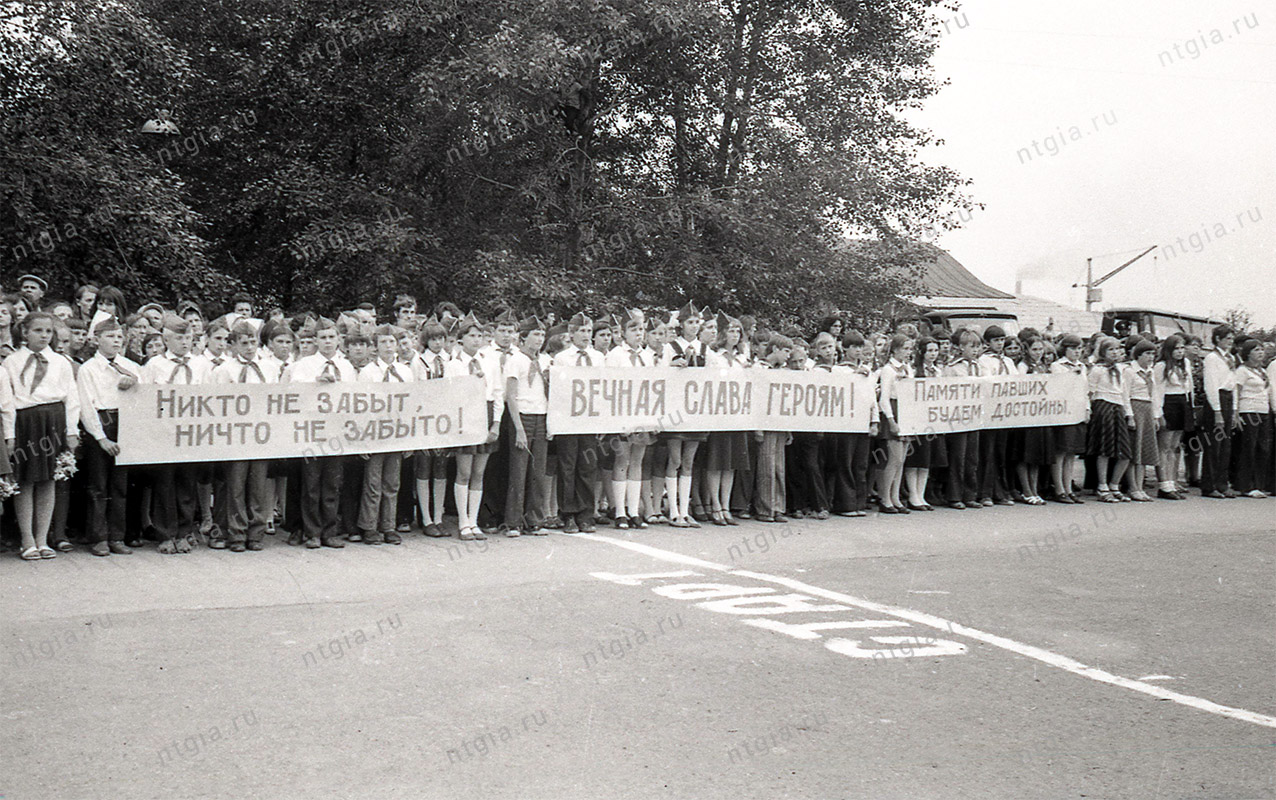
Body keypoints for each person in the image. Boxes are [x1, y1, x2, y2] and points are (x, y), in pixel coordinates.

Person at [4, 312, 80, 560]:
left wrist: (71, 431)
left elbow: (72, 399)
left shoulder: (60, 362)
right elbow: (7, 401)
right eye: (38, 330)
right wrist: (9, 435)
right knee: (25, 480)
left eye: (48, 331)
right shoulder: (12, 362)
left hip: (53, 421)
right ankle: (27, 539)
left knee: (49, 479)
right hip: (25, 421)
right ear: (25, 332)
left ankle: (43, 538)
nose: (44, 335)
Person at [286, 317, 356, 548]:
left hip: (336, 431)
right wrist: (315, 383)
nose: (327, 342)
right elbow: (294, 393)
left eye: (331, 337)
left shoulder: (345, 367)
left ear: (338, 340)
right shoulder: (304, 365)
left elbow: (355, 397)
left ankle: (329, 530)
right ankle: (312, 531)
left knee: (332, 483)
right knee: (312, 483)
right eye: (323, 337)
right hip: (312, 432)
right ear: (315, 340)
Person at [209, 322, 272, 551]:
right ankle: (236, 533)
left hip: (261, 434)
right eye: (243, 343)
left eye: (252, 342)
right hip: (235, 436)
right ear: (233, 345)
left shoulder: (269, 368)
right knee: (235, 485)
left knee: (257, 485)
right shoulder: (223, 370)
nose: (249, 347)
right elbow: (213, 403)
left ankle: (256, 533)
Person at [445, 313, 504, 541]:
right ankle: (462, 522)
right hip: (465, 415)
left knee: (479, 472)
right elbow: (450, 396)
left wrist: (496, 424)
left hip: (486, 414)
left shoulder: (489, 362)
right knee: (464, 471)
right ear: (461, 339)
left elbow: (497, 394)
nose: (476, 340)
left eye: (479, 336)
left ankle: (474, 520)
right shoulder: (454, 365)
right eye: (471, 336)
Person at [353, 325, 408, 544]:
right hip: (374, 433)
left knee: (392, 483)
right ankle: (369, 526)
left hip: (396, 433)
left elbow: (411, 405)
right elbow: (360, 406)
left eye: (391, 342)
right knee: (373, 483)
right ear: (376, 346)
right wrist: (363, 440)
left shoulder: (404, 371)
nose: (388, 346)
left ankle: (389, 525)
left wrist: (411, 438)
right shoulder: (368, 372)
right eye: (383, 342)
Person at [550, 313, 604, 533]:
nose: (586, 335)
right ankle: (568, 514)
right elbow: (559, 391)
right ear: (571, 334)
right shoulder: (563, 358)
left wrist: (602, 421)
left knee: (588, 465)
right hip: (568, 419)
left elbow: (603, 390)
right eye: (581, 331)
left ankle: (586, 513)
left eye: (588, 331)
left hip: (589, 419)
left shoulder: (598, 358)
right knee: (568, 466)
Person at [660, 303, 708, 528]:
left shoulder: (705, 349)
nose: (694, 326)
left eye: (697, 322)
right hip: (675, 409)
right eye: (690, 322)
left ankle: (685, 511)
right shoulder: (671, 347)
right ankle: (673, 511)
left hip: (694, 411)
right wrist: (672, 366)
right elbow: (660, 373)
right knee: (675, 459)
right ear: (681, 324)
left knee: (688, 462)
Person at [504, 315, 551, 536]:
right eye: (535, 334)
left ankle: (535, 519)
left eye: (542, 335)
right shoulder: (516, 360)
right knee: (518, 470)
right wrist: (519, 428)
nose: (539, 339)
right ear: (524, 337)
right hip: (522, 416)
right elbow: (511, 397)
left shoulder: (545, 361)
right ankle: (513, 521)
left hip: (541, 416)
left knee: (538, 471)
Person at [703, 312, 749, 526]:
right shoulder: (714, 356)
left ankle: (726, 504)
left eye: (738, 331)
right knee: (717, 461)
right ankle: (715, 505)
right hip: (719, 414)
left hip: (737, 415)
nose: (735, 334)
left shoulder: (742, 358)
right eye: (731, 330)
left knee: (731, 463)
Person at [411, 317, 452, 536]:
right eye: (433, 339)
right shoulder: (419, 361)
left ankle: (438, 517)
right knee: (424, 467)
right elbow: (415, 392)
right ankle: (426, 519)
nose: (437, 343)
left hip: (445, 420)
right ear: (426, 341)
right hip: (425, 419)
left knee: (441, 469)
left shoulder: (451, 360)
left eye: (441, 338)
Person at [1088, 337, 1135, 503]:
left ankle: (1114, 484)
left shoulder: (1122, 369)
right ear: (1103, 352)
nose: (1115, 353)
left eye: (1117, 349)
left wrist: (1129, 415)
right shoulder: (1097, 369)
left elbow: (1124, 393)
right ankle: (1102, 486)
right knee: (1104, 449)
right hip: (1103, 407)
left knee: (1125, 452)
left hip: (1118, 407)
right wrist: (1089, 410)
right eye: (1111, 350)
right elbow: (1091, 392)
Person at [754, 334, 793, 523]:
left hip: (779, 422)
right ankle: (765, 507)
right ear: (775, 349)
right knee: (766, 466)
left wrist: (788, 428)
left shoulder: (784, 372)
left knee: (778, 467)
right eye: (785, 351)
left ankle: (778, 506)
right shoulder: (759, 368)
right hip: (766, 422)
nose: (788, 356)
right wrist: (758, 427)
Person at [976, 325, 1015, 506]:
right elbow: (987, 382)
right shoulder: (984, 361)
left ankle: (1001, 491)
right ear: (988, 342)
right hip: (990, 411)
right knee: (988, 452)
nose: (1000, 344)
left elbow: (1017, 381)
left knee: (1001, 452)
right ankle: (985, 492)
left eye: (1002, 340)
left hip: (1004, 412)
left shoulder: (1008, 362)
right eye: (996, 340)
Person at [904, 336, 944, 511]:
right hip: (915, 418)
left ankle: (921, 495)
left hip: (931, 418)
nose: (933, 354)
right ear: (922, 352)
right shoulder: (913, 370)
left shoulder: (937, 371)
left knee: (926, 459)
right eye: (930, 351)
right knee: (915, 458)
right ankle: (913, 495)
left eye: (936, 350)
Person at [944, 328, 982, 510]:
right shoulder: (952, 368)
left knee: (972, 458)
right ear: (960, 347)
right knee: (958, 457)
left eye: (977, 347)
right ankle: (954, 495)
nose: (975, 350)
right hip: (957, 418)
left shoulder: (978, 367)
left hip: (974, 417)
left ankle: (970, 494)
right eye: (971, 346)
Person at [875, 334, 912, 514]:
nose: (908, 352)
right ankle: (885, 497)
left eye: (910, 349)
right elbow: (884, 399)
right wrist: (891, 420)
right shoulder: (888, 370)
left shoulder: (908, 368)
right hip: (894, 411)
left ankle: (895, 496)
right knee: (893, 459)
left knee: (902, 460)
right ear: (896, 349)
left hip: (907, 412)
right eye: (905, 348)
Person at [1200, 324, 1238, 498]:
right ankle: (1209, 485)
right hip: (1217, 399)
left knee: (1226, 444)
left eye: (1232, 338)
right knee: (1214, 444)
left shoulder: (1230, 357)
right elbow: (1211, 386)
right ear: (1218, 339)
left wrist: (1235, 409)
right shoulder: (1211, 358)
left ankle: (1222, 483)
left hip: (1229, 398)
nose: (1230, 342)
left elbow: (1233, 383)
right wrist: (1217, 411)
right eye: (1227, 338)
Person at [1049, 334, 1088, 503]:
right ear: (1065, 349)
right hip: (1064, 411)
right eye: (1073, 348)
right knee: (1061, 451)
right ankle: (1059, 489)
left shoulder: (1082, 366)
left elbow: (1085, 390)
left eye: (1079, 349)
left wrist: (1087, 409)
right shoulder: (1057, 366)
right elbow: (1061, 386)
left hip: (1078, 411)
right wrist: (1073, 373)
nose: (1077, 352)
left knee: (1071, 453)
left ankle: (1068, 488)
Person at [1232, 339, 1271, 498]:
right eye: (1256, 350)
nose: (1260, 353)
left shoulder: (1262, 371)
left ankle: (1259, 484)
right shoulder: (1242, 371)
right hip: (1249, 410)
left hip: (1263, 410)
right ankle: (1246, 486)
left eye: (1261, 349)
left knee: (1263, 448)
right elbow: (1236, 391)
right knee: (1249, 448)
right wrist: (1236, 413)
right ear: (1247, 353)